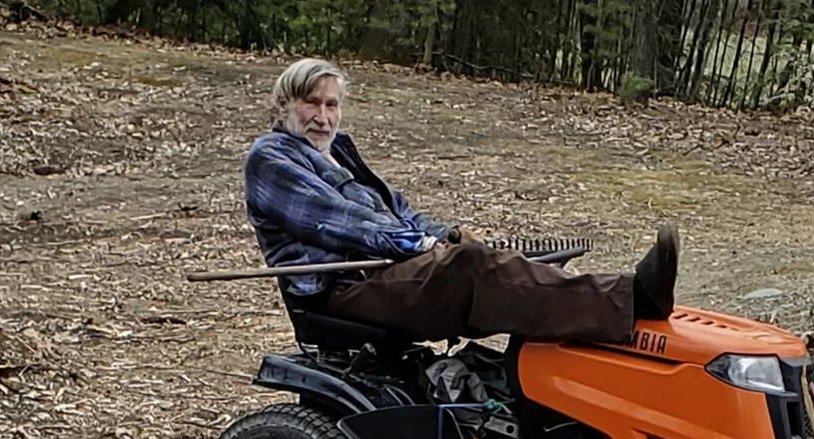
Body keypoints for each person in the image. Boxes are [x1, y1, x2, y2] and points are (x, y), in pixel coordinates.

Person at [242, 57, 680, 344]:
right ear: (284, 105)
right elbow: (342, 224)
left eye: (331, 104)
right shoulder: (272, 158)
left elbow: (398, 211)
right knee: (469, 266)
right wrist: (428, 246)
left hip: (384, 271)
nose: (323, 116)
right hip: (342, 288)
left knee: (502, 259)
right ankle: (633, 299)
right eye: (311, 103)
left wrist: (446, 233)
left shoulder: (338, 151)